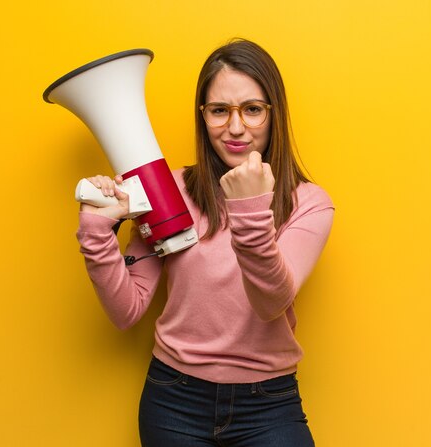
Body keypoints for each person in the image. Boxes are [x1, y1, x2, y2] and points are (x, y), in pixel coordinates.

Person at [76, 38, 334, 447]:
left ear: (274, 114)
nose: (235, 128)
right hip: (174, 401)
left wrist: (250, 207)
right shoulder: (168, 192)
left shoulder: (310, 204)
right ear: (203, 116)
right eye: (219, 110)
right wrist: (96, 233)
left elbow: (271, 302)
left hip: (268, 404)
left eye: (252, 109)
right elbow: (127, 311)